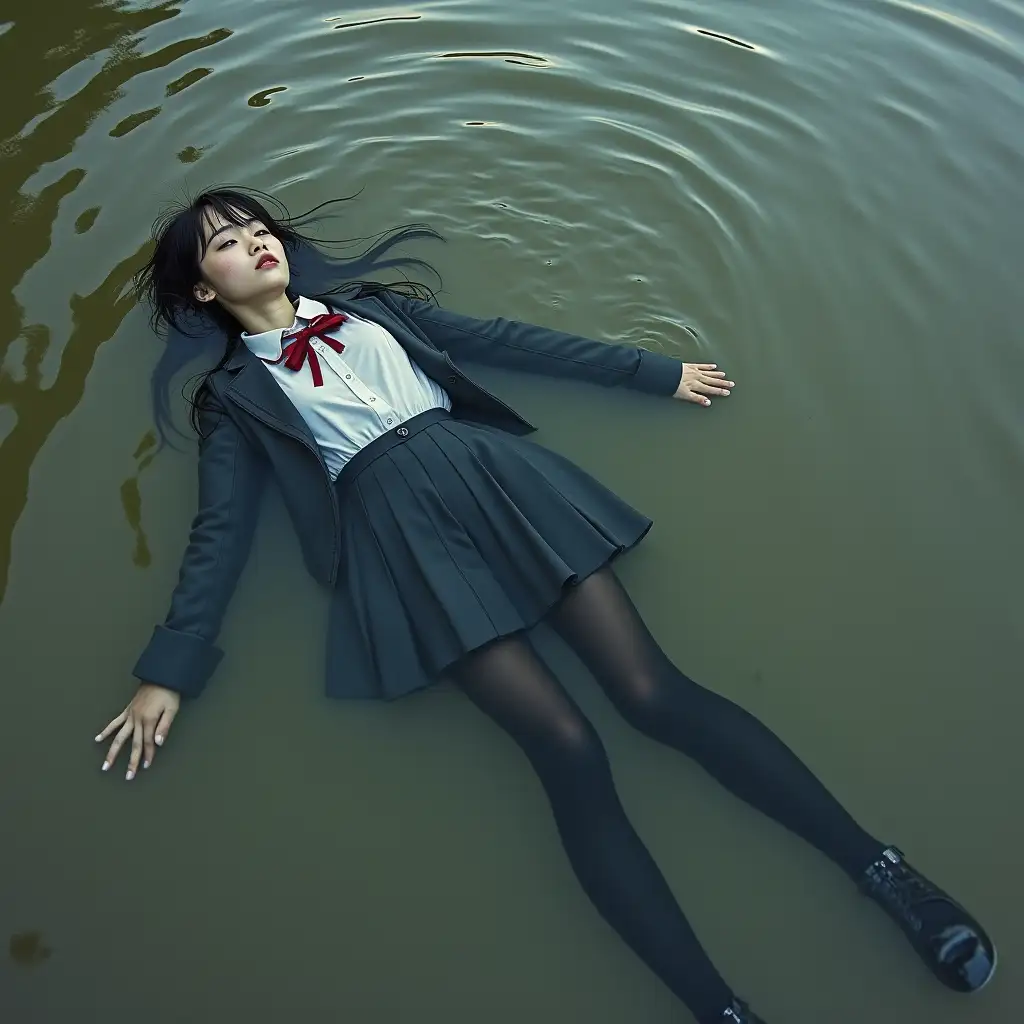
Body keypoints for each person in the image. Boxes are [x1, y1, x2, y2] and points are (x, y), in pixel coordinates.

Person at [95, 186, 996, 1023]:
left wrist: (650, 372)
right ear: (201, 290)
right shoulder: (232, 400)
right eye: (224, 241)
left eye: (257, 226)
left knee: (655, 696)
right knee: (567, 750)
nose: (254, 241)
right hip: (400, 546)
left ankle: (888, 876)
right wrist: (168, 673)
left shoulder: (373, 308)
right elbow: (220, 534)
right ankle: (719, 1011)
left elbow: (507, 339)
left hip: (501, 487)